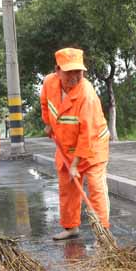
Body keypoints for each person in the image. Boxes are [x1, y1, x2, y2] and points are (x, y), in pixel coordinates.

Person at [40, 48, 110, 240]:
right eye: (69, 71)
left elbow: (86, 133)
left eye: (78, 72)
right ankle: (71, 228)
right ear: (57, 70)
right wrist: (48, 123)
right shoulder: (49, 83)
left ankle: (102, 231)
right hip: (65, 146)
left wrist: (75, 164)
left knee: (96, 187)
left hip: (93, 144)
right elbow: (45, 104)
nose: (74, 76)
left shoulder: (86, 95)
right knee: (67, 187)